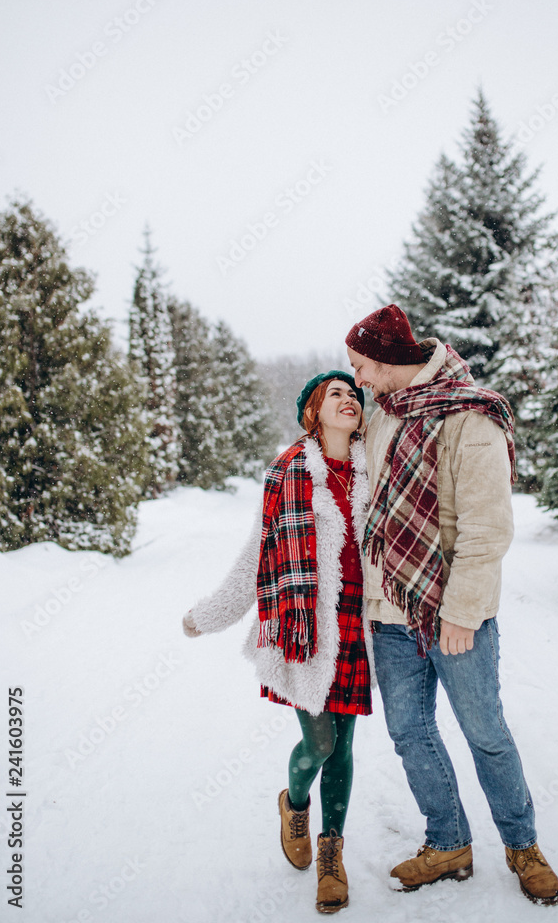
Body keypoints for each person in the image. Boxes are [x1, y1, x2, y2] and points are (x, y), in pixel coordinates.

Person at [345, 304, 558, 906]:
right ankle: (448, 844)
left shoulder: (470, 416)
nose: (358, 379)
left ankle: (523, 845)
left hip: (454, 614)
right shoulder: (381, 414)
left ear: (389, 360)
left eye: (363, 366)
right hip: (390, 616)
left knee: (485, 732)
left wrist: (462, 613)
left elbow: (487, 527)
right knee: (410, 733)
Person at [182, 371, 374, 915]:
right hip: (304, 632)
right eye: (334, 394)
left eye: (353, 394)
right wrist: (208, 615)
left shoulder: (372, 469)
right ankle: (294, 804)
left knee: (347, 746)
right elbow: (254, 558)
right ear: (313, 411)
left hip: (357, 628)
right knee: (320, 744)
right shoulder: (287, 473)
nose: (348, 400)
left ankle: (331, 850)